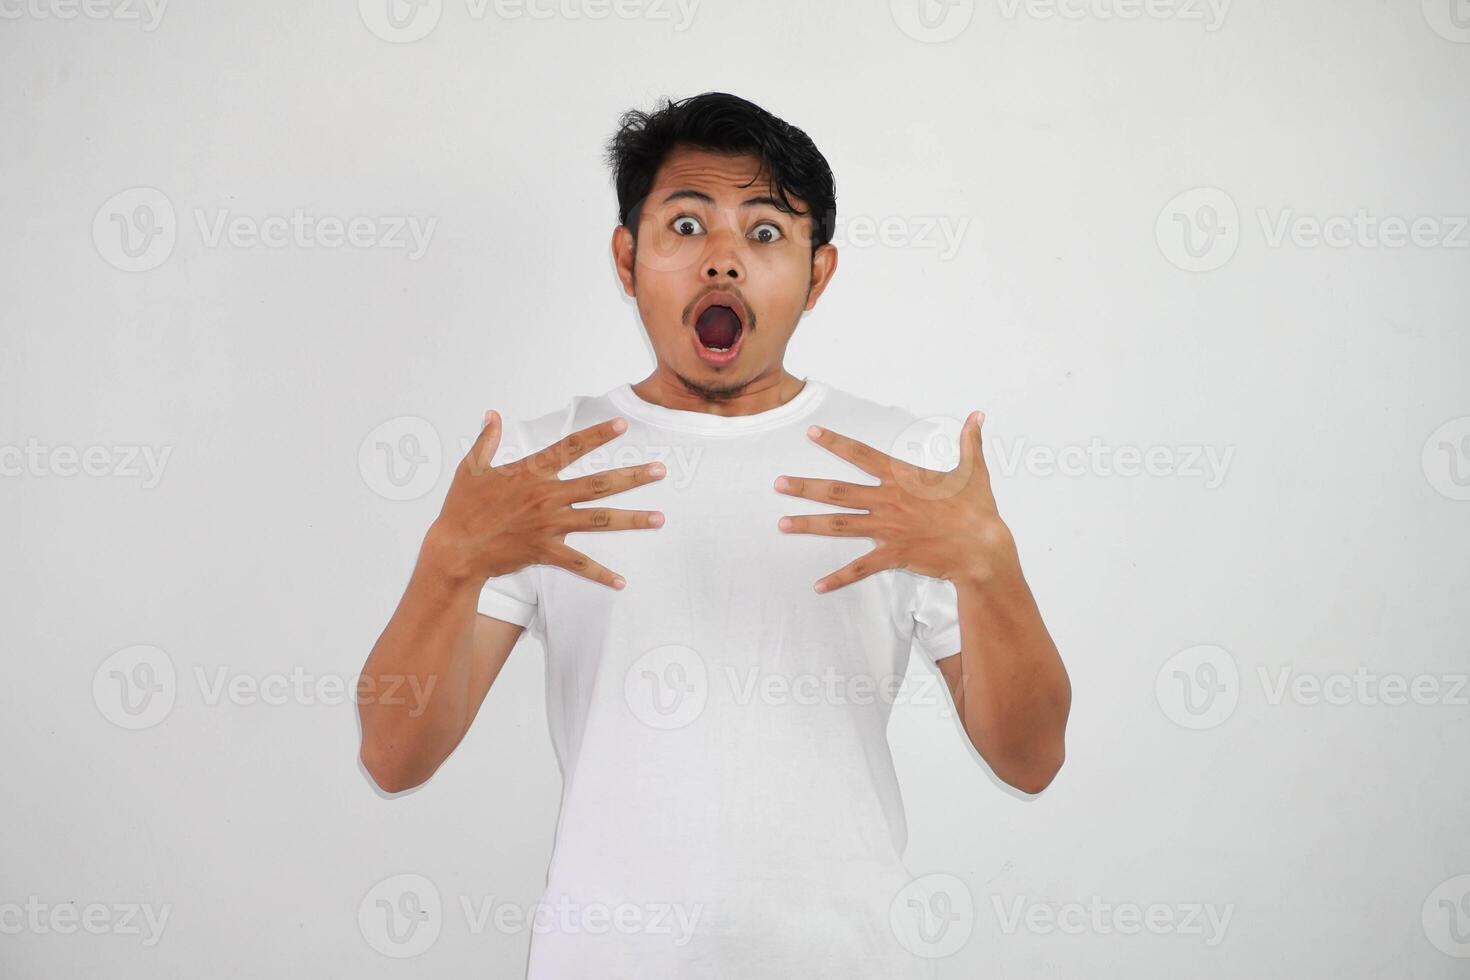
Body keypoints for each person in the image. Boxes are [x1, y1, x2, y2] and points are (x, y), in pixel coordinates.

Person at [358, 91, 1071, 979]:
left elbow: (1032, 760)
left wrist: (992, 570)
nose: (723, 262)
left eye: (766, 232)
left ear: (820, 274)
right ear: (628, 258)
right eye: (687, 225)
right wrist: (447, 561)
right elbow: (393, 757)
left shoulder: (909, 469)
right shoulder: (539, 469)